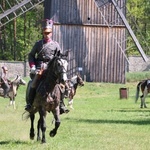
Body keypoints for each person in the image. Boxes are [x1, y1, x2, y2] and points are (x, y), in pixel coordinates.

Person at [25, 19, 69, 114]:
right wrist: (32, 66)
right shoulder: (38, 44)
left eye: (48, 33)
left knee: (61, 85)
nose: (47, 34)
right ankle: (29, 103)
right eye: (45, 33)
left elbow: (60, 57)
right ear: (43, 33)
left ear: (51, 33)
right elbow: (31, 55)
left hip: (52, 69)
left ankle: (61, 104)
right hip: (40, 68)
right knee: (33, 83)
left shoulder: (56, 45)